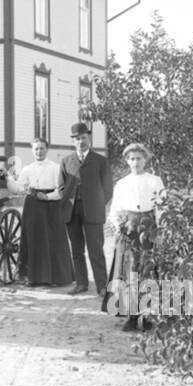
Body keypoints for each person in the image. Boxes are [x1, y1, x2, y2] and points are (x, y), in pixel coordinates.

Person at [104, 142, 167, 331]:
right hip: (129, 230)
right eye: (132, 159)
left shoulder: (154, 181)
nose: (135, 162)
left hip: (147, 229)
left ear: (145, 160)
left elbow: (162, 207)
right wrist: (119, 226)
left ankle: (148, 315)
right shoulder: (122, 183)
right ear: (127, 161)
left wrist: (160, 230)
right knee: (129, 271)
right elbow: (115, 209)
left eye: (139, 158)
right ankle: (131, 316)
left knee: (148, 270)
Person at [9, 138, 74, 287]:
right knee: (34, 238)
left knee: (53, 238)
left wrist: (47, 196)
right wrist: (9, 179)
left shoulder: (55, 167)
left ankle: (56, 277)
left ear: (47, 149)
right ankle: (34, 277)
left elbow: (61, 190)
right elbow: (19, 187)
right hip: (32, 205)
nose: (39, 151)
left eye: (42, 148)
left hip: (51, 205)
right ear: (32, 150)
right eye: (36, 149)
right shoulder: (27, 169)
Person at [60, 121, 114, 298]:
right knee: (76, 250)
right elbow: (61, 187)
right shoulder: (66, 161)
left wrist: (97, 204)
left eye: (83, 138)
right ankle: (81, 284)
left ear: (89, 138)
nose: (80, 141)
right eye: (77, 139)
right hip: (72, 211)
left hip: (93, 211)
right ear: (73, 141)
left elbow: (107, 189)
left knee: (96, 250)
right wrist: (68, 201)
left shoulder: (100, 161)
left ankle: (101, 286)